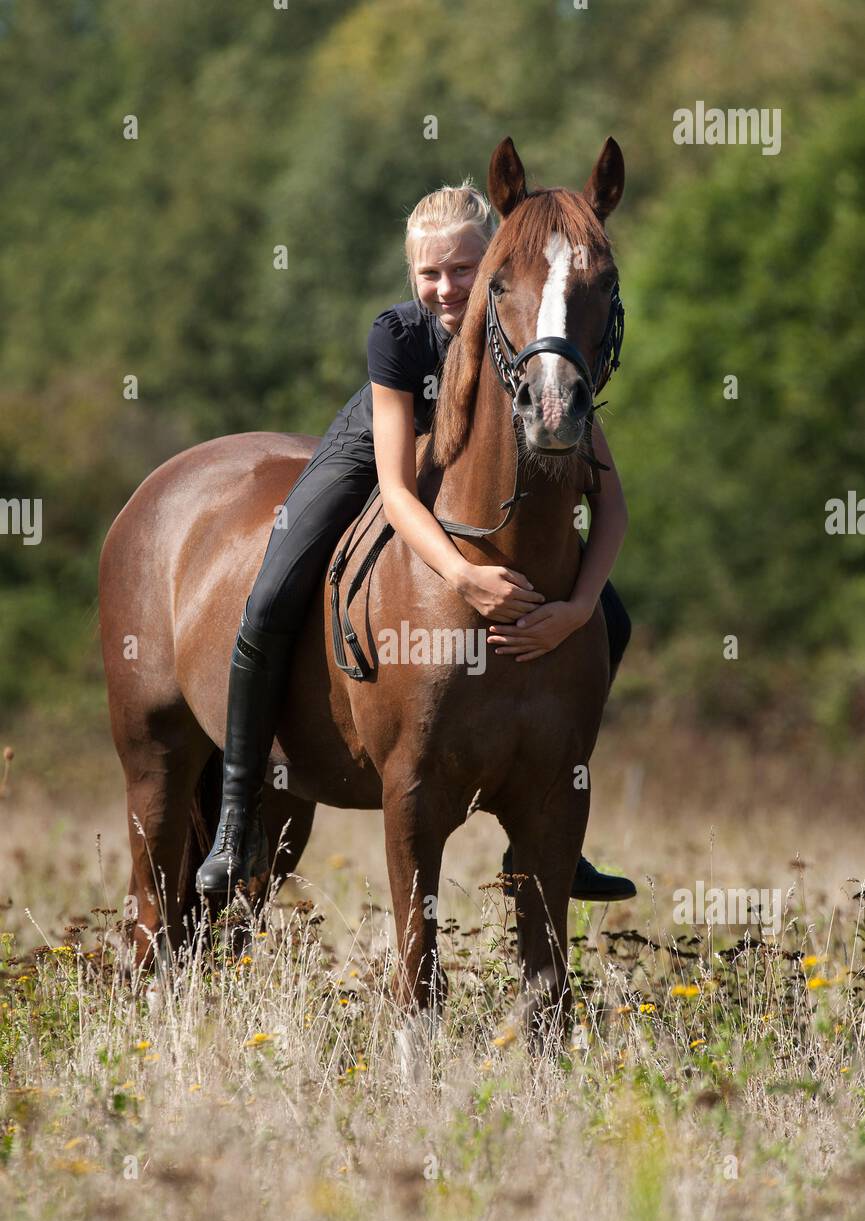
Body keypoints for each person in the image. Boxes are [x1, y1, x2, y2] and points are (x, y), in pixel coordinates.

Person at [196, 181, 636, 903]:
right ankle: (235, 821)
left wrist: (581, 606)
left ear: (491, 262)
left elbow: (608, 503)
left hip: (471, 468)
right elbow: (398, 492)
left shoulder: (525, 333)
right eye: (428, 273)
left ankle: (562, 831)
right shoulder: (398, 336)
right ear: (411, 277)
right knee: (272, 591)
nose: (444, 287)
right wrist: (463, 580)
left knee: (616, 618)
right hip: (375, 451)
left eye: (462, 270)